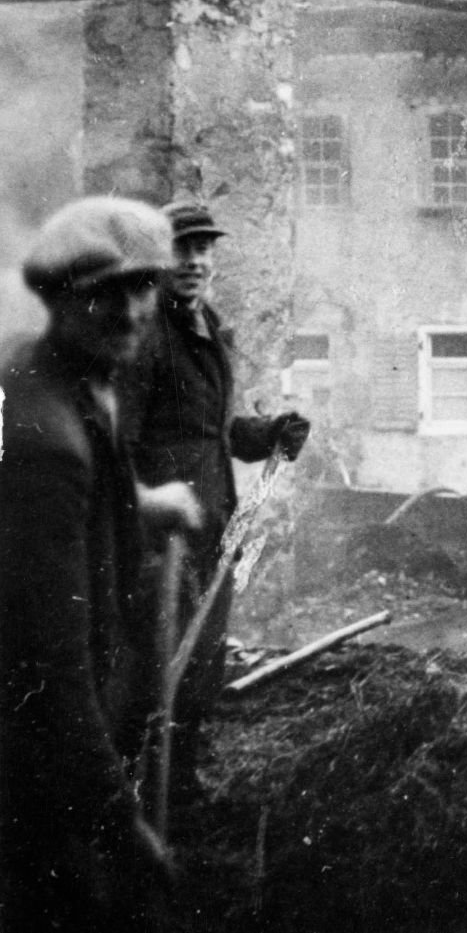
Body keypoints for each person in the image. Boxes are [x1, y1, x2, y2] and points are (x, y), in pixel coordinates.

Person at [1, 196, 192, 932]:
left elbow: (74, 507)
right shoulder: (47, 435)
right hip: (38, 763)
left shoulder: (50, 375)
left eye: (143, 286)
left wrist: (145, 503)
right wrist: (120, 822)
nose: (132, 311)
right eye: (105, 293)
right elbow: (53, 668)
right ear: (58, 298)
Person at [119, 199, 309, 805]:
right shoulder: (145, 335)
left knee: (200, 662)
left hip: (213, 527)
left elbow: (215, 432)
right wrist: (145, 519)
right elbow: (119, 447)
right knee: (154, 667)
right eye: (181, 249)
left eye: (203, 249)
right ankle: (134, 799)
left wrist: (269, 433)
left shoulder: (209, 328)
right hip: (161, 537)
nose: (195, 261)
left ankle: (180, 787)